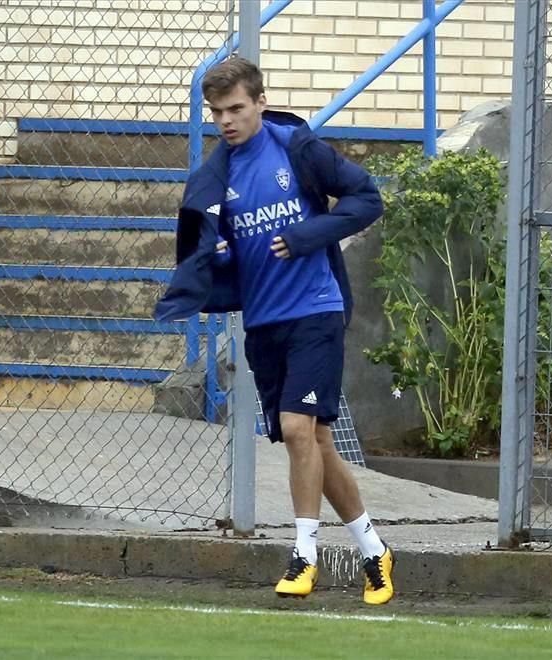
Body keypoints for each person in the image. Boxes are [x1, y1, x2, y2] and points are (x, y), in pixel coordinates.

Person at [155, 57, 394, 605]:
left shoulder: (297, 148)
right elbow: (204, 252)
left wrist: (310, 235)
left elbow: (366, 198)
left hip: (316, 309)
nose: (226, 121)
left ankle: (304, 555)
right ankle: (373, 550)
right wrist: (213, 259)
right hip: (262, 322)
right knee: (315, 441)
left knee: (295, 428)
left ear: (261, 102)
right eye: (216, 113)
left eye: (237, 108)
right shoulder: (215, 178)